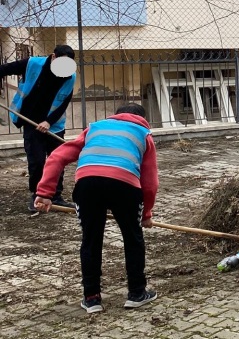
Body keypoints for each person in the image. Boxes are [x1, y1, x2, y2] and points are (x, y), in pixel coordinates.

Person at [34, 103, 159, 314]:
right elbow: (150, 182)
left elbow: (57, 157)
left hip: (88, 185)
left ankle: (91, 298)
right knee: (132, 238)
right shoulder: (143, 133)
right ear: (142, 119)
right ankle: (137, 293)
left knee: (91, 240)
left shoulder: (94, 128)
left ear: (115, 116)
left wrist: (45, 193)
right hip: (125, 185)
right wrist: (145, 214)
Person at [0, 46, 77, 214]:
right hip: (31, 121)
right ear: (53, 56)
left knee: (57, 160)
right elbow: (4, 69)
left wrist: (49, 122)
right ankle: (37, 196)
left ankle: (55, 196)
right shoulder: (32, 63)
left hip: (54, 125)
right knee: (36, 162)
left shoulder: (70, 75)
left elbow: (64, 102)